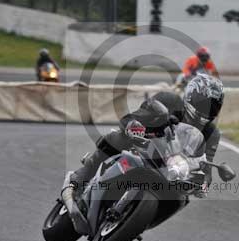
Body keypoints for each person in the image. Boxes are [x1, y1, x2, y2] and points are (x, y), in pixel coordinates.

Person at [68, 74, 226, 200]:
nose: (207, 110)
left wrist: (204, 185)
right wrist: (133, 127)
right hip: (143, 145)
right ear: (191, 96)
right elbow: (131, 118)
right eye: (203, 103)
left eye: (213, 106)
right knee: (116, 137)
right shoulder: (169, 100)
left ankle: (135, 217)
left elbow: (207, 167)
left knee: (182, 198)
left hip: (172, 169)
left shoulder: (212, 133)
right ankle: (81, 177)